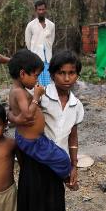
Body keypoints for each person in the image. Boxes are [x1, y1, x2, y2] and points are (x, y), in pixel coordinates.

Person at [7, 49, 73, 211]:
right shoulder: (20, 92)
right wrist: (35, 96)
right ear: (22, 74)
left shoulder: (16, 91)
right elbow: (27, 116)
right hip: (33, 142)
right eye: (35, 74)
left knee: (58, 158)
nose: (36, 79)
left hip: (32, 139)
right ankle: (68, 177)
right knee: (62, 159)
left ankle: (65, 176)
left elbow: (14, 114)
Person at [40, 50, 84, 190]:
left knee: (55, 199)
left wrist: (73, 166)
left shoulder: (76, 105)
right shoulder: (42, 97)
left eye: (71, 73)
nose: (67, 78)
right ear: (52, 75)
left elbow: (73, 137)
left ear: (77, 75)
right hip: (39, 160)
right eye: (61, 73)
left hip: (60, 162)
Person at [25, 0, 55, 86]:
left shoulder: (51, 25)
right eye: (39, 10)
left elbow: (51, 41)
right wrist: (32, 54)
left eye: (43, 9)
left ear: (46, 10)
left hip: (48, 58)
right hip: (36, 58)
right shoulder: (31, 25)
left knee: (48, 82)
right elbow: (28, 43)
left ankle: (47, 97)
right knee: (36, 81)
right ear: (36, 10)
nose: (41, 12)